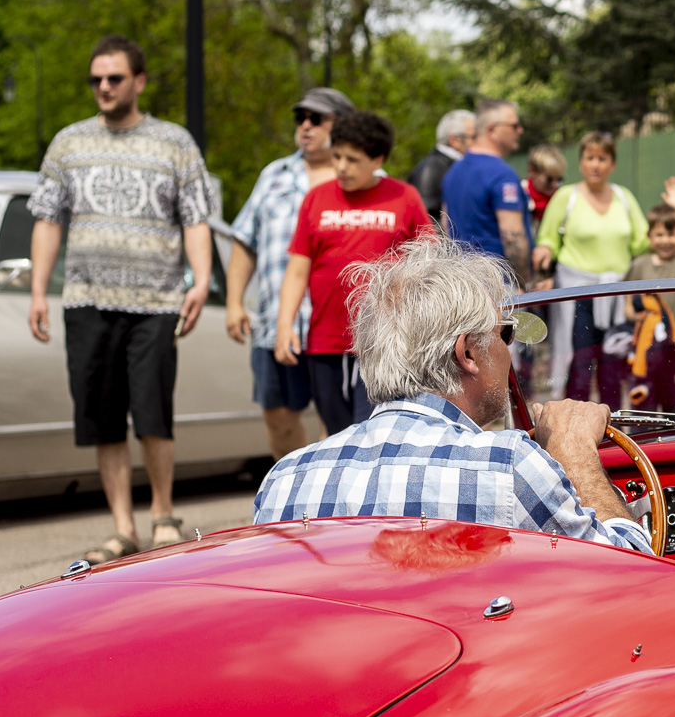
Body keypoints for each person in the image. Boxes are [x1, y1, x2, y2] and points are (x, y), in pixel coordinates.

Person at [251, 237, 649, 553]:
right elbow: (633, 573)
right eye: (504, 334)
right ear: (468, 353)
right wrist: (576, 449)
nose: (509, 351)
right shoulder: (508, 467)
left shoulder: (286, 477)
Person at [27, 34, 211, 565]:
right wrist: (39, 290)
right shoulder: (68, 143)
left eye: (114, 78)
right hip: (86, 299)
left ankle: (163, 515)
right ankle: (122, 526)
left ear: (139, 81)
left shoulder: (174, 143)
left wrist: (200, 279)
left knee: (152, 412)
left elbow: (195, 219)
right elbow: (47, 219)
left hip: (155, 303)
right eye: (96, 80)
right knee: (103, 416)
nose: (103, 87)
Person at [273, 110, 433, 432]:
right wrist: (284, 324)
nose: (341, 166)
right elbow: (297, 269)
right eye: (337, 156)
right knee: (335, 429)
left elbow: (429, 263)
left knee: (370, 428)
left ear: (378, 160)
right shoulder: (316, 199)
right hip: (324, 339)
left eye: (353, 159)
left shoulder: (405, 197)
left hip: (383, 340)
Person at [225, 87, 353, 461]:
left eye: (317, 118)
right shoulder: (274, 174)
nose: (306, 126)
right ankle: (297, 501)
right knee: (279, 417)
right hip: (276, 322)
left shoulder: (366, 178)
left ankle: (339, 509)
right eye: (301, 118)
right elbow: (245, 242)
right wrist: (234, 303)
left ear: (342, 125)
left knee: (342, 423)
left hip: (345, 329)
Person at [532, 131, 650, 404]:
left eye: (602, 158)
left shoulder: (624, 197)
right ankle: (573, 432)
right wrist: (544, 255)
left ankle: (614, 437)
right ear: (581, 162)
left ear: (612, 164)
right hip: (577, 297)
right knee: (579, 367)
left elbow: (642, 244)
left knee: (612, 369)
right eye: (590, 158)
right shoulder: (565, 196)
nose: (595, 164)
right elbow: (547, 239)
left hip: (616, 297)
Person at [441, 98, 532, 286]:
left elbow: (445, 226)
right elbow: (512, 236)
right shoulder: (501, 174)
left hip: (464, 286)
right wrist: (525, 283)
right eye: (514, 125)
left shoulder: (453, 172)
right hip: (501, 286)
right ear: (492, 131)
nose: (520, 130)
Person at [625, 203, 675, 414]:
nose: (665, 240)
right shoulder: (640, 265)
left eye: (670, 234)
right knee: (643, 408)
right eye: (659, 234)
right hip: (647, 346)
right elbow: (628, 306)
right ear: (649, 236)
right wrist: (637, 316)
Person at [405, 110, 474, 224]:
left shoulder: (453, 165)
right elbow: (426, 221)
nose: (479, 141)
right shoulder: (430, 168)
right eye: (473, 137)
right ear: (454, 140)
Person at [524, 144, 566, 225]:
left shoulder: (561, 195)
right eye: (549, 179)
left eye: (559, 179)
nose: (555, 184)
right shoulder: (520, 195)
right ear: (532, 171)